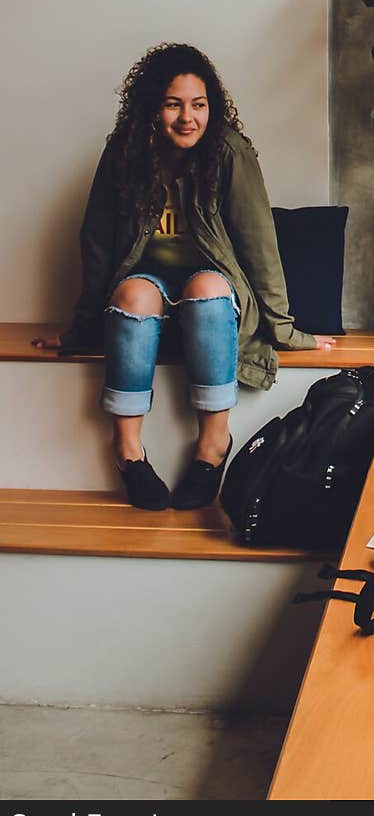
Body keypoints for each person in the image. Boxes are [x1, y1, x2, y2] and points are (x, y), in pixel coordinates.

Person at [33, 43, 335, 512]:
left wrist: (284, 328)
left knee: (207, 289)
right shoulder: (126, 152)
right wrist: (81, 327)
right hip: (146, 285)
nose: (187, 117)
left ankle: (212, 445)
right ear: (152, 107)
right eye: (174, 104)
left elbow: (259, 244)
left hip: (211, 293)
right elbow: (97, 241)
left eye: (198, 105)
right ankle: (129, 452)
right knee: (133, 295)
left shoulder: (228, 152)